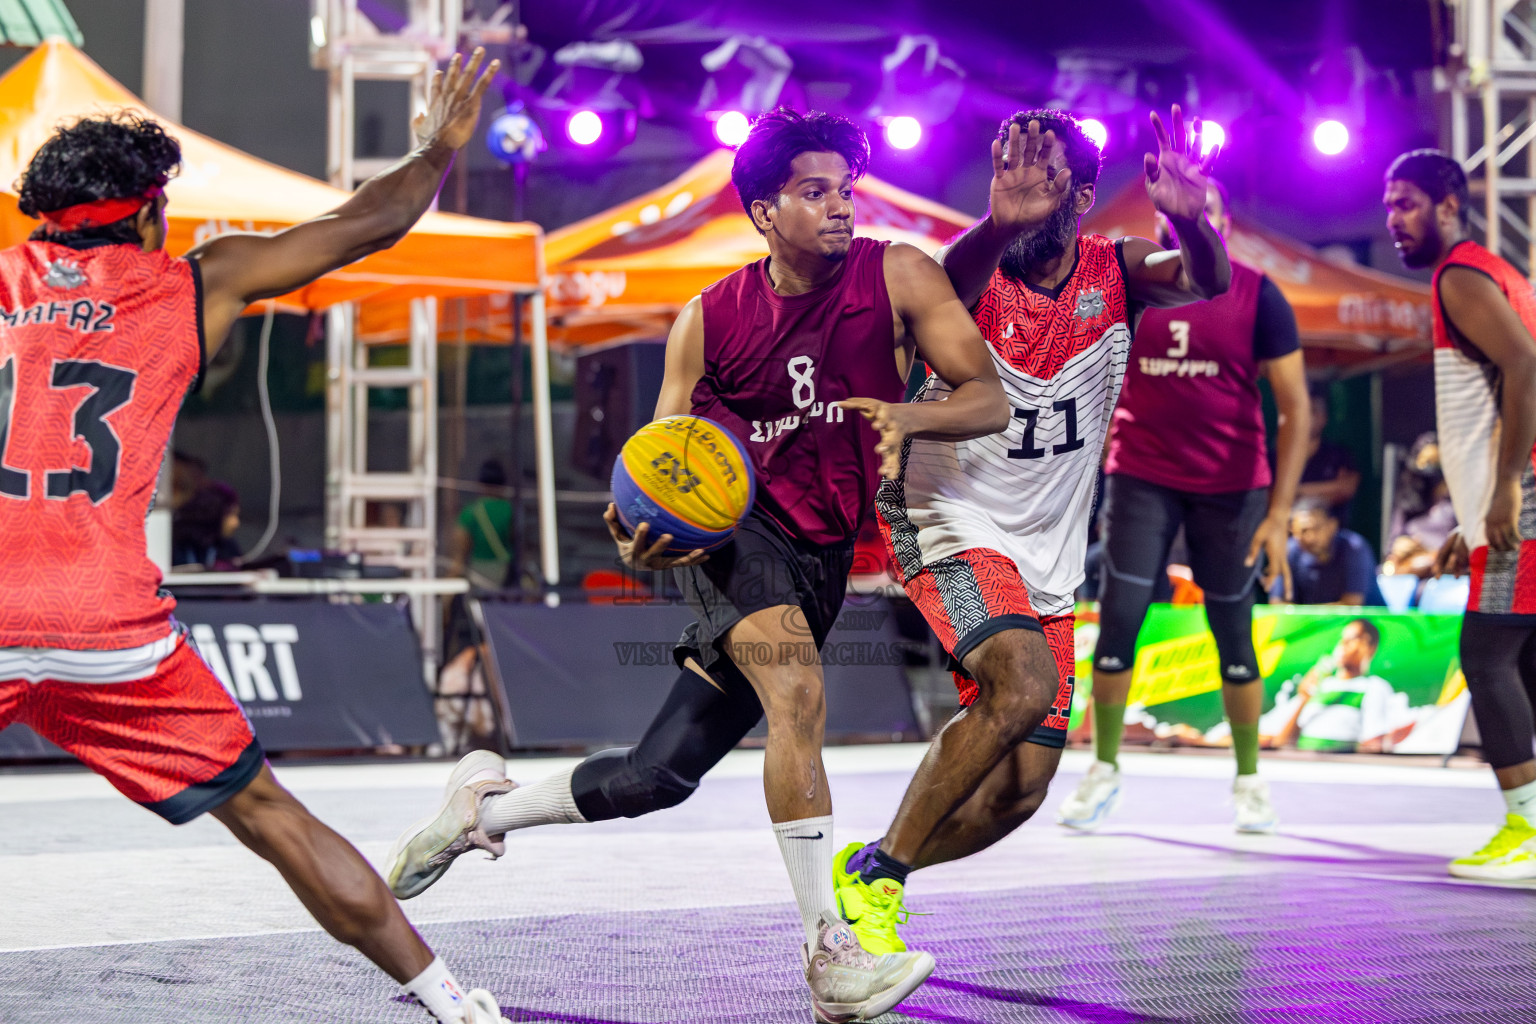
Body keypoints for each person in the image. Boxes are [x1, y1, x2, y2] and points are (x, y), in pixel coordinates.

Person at [387, 108, 1009, 1022]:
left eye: (846, 189)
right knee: (797, 693)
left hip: (825, 548)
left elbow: (987, 397)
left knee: (659, 774)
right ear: (764, 211)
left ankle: (481, 810)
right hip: (736, 536)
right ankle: (830, 955)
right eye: (814, 192)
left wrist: (911, 416)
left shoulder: (900, 273)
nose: (840, 207)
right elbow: (656, 459)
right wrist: (637, 527)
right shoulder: (709, 318)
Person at [0, 52, 513, 1024]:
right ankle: (455, 1006)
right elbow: (370, 222)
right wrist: (434, 148)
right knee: (273, 819)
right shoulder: (199, 282)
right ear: (148, 211)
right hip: (111, 629)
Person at [830, 105, 1231, 954]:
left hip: (1046, 547)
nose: (1015, 182)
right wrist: (995, 222)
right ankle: (878, 888)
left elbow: (1208, 282)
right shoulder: (965, 273)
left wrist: (1193, 224)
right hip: (946, 513)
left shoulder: (1115, 273)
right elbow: (949, 281)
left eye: (1040, 172)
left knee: (1022, 791)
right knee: (1017, 685)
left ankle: (872, 864)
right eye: (1005, 167)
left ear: (1081, 192)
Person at [1064, 176, 1309, 835]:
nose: (1187, 222)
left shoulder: (1259, 294)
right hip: (1142, 475)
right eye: (1173, 216)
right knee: (1118, 620)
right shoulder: (1131, 285)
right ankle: (1103, 769)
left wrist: (1281, 513)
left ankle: (1250, 781)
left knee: (1234, 632)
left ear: (1221, 223)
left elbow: (1296, 409)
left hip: (1233, 487)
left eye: (1204, 212)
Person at [1386, 148, 1536, 880]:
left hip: (1526, 500)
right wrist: (1467, 517)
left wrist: (1505, 490)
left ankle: (1526, 831)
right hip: (1510, 499)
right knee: (1526, 659)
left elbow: (1526, 366)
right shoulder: (1494, 271)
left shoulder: (1460, 275)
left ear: (1450, 205)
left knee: (1487, 653)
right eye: (1387, 206)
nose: (1393, 219)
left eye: (1407, 203)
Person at [1259, 619, 1411, 753]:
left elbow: (1373, 744)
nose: (1343, 645)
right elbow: (1281, 742)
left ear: (1368, 646)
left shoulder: (1374, 687)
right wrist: (1303, 699)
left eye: (1352, 639)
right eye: (1342, 639)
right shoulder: (1319, 685)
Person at [1274, 499, 1383, 606]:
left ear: (1332, 525)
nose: (1310, 537)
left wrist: (1303, 616)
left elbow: (1352, 605)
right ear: (1292, 530)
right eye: (1303, 531)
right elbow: (1278, 604)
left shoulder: (1354, 547)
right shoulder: (1290, 551)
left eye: (1316, 529)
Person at [1297, 389, 1359, 522]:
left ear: (1324, 417)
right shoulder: (1278, 456)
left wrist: (1297, 491)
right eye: (1302, 411)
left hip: (1335, 533)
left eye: (1312, 411)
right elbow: (1272, 495)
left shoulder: (1338, 454)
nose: (1307, 417)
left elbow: (1346, 489)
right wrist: (1330, 488)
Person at [451, 458, 513, 588]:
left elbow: (460, 554)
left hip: (478, 572)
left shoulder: (470, 512)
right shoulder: (510, 510)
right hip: (505, 571)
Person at [171, 480, 242, 569]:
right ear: (213, 513)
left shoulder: (229, 549)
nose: (236, 523)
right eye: (230, 514)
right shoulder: (176, 547)